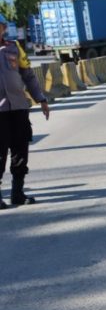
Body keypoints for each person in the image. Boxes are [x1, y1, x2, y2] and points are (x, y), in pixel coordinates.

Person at [0, 12, 50, 209]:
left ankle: (17, 193)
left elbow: (28, 75)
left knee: (20, 151)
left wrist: (41, 99)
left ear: (4, 28)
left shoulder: (14, 48)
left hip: (19, 107)